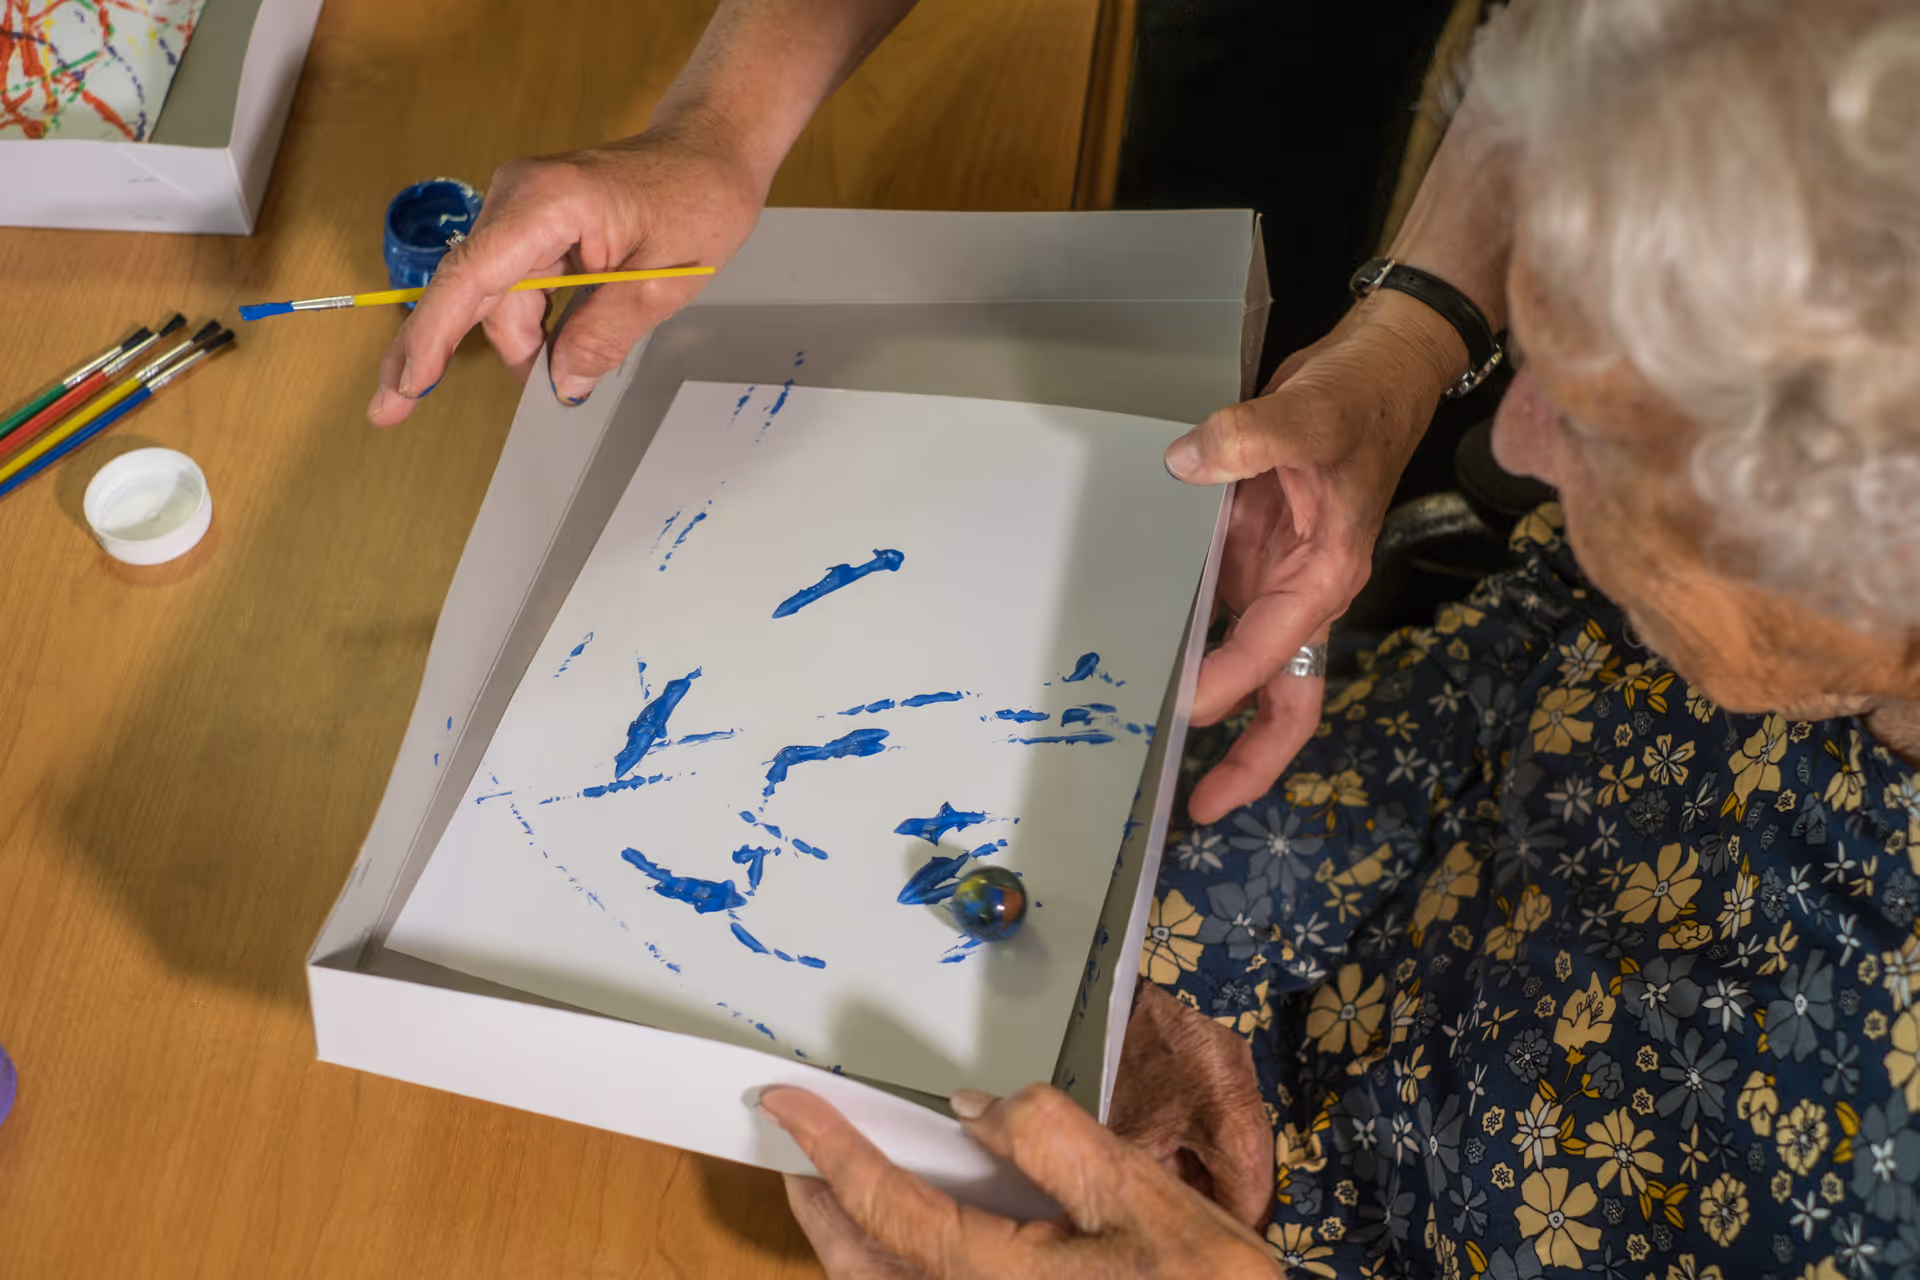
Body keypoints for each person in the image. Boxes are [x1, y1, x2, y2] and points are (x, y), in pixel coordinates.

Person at [393, 0, 1920, 1275]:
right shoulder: (1739, 536)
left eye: (1599, 417)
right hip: (1388, 872)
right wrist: (1409, 340)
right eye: (1541, 334)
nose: (1506, 446)